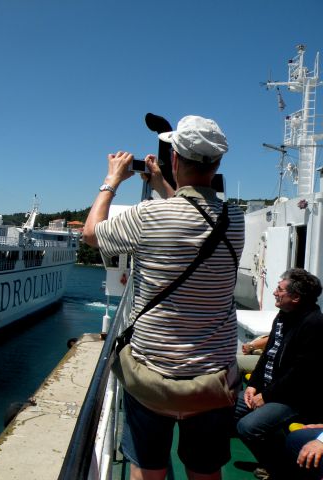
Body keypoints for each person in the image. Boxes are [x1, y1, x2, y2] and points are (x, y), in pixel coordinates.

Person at [82, 115, 244, 480]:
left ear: (174, 159)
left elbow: (91, 234)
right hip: (212, 383)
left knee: (149, 469)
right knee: (206, 471)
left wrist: (111, 181)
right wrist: (161, 185)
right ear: (217, 163)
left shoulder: (149, 215)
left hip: (153, 377)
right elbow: (197, 218)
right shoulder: (234, 219)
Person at [234, 268, 323, 479]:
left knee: (248, 427)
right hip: (268, 390)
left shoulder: (314, 325)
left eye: (280, 289)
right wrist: (254, 385)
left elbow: (300, 374)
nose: (275, 292)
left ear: (295, 297)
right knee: (224, 409)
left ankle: (281, 470)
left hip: (293, 398)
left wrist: (266, 396)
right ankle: (276, 460)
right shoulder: (283, 316)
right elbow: (267, 356)